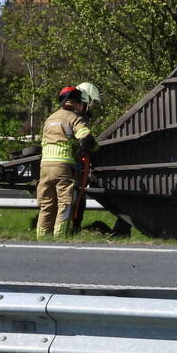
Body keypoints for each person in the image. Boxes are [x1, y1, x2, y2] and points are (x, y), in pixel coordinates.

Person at [36, 82, 100, 239]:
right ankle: (60, 236)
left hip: (45, 166)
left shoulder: (49, 119)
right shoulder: (74, 118)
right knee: (65, 202)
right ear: (77, 103)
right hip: (62, 165)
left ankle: (41, 238)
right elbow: (86, 141)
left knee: (47, 204)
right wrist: (96, 148)